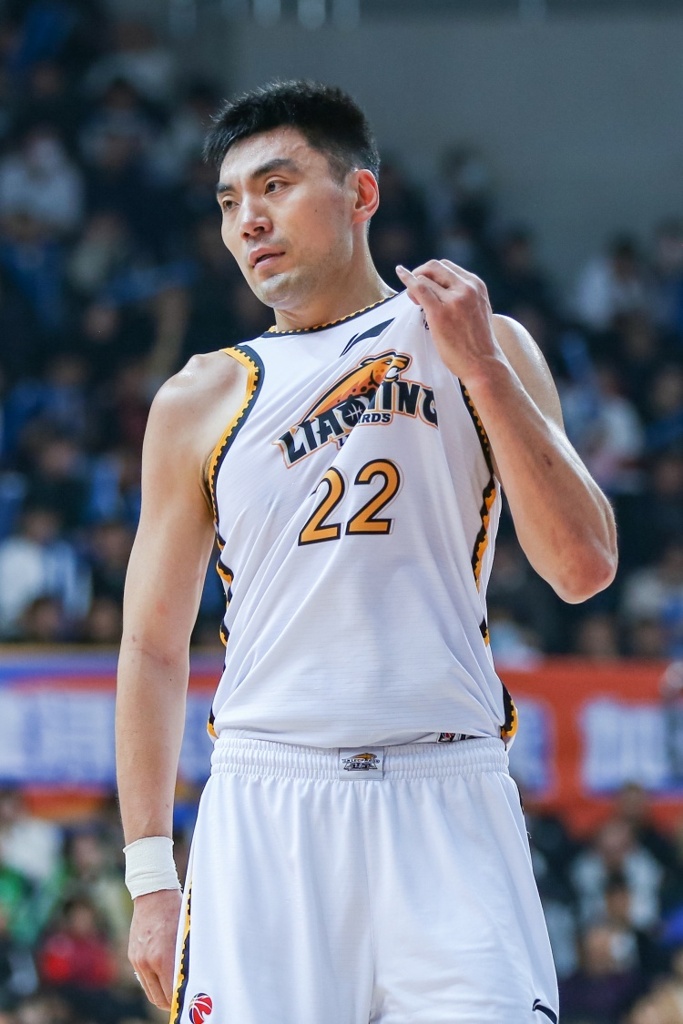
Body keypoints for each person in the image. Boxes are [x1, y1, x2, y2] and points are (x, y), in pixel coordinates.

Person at [116, 81, 618, 1023]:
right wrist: (150, 877)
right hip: (269, 801)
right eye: (228, 201)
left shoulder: (480, 343)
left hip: (447, 796)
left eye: (275, 185)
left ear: (360, 194)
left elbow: (582, 567)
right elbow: (149, 645)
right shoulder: (198, 398)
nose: (248, 220)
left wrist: (482, 368)